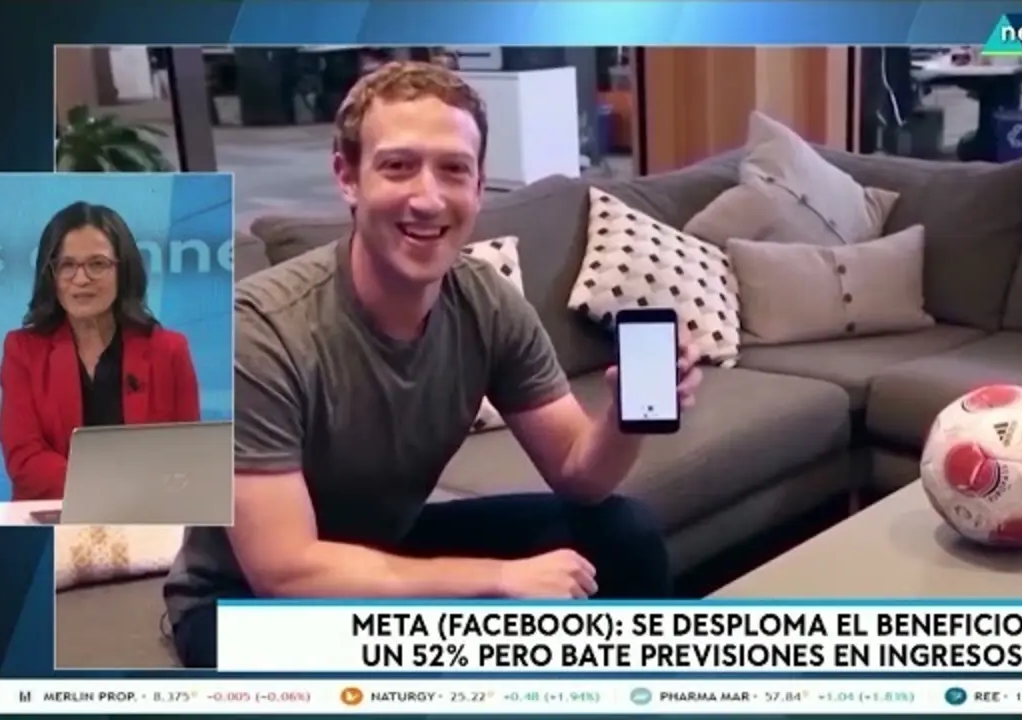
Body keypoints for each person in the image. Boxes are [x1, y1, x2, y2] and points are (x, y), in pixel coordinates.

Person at [162, 61, 702, 669]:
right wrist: (499, 579)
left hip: (382, 546)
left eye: (453, 169)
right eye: (398, 166)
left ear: (479, 186)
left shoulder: (486, 303)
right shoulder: (259, 333)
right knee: (440, 653)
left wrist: (626, 418)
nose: (427, 198)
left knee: (622, 533)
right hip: (241, 602)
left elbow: (582, 477)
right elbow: (287, 572)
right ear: (347, 177)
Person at [0, 201, 201, 501]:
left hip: (148, 513)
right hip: (55, 512)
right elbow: (24, 457)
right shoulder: (23, 350)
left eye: (97, 264)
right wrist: (107, 491)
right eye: (67, 265)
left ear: (123, 270)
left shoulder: (168, 349)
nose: (81, 279)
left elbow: (188, 455)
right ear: (50, 275)